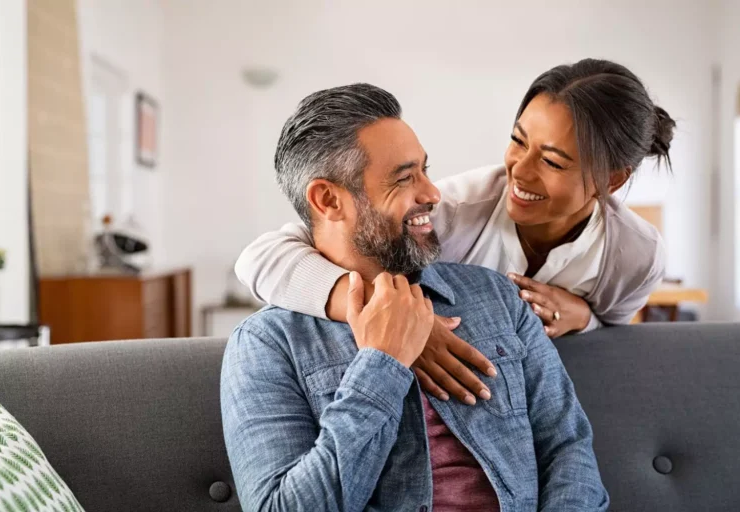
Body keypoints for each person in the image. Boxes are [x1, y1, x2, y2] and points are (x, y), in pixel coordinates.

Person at [221, 84, 608, 511]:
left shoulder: (497, 296)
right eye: (405, 178)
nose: (432, 193)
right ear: (328, 199)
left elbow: (568, 446)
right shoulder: (267, 344)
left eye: (425, 170)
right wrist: (381, 364)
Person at [234, 59, 674, 406]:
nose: (518, 170)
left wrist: (585, 317)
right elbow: (261, 257)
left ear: (611, 181)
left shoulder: (636, 255)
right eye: (518, 140)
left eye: (553, 161)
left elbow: (616, 337)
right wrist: (393, 317)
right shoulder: (456, 210)